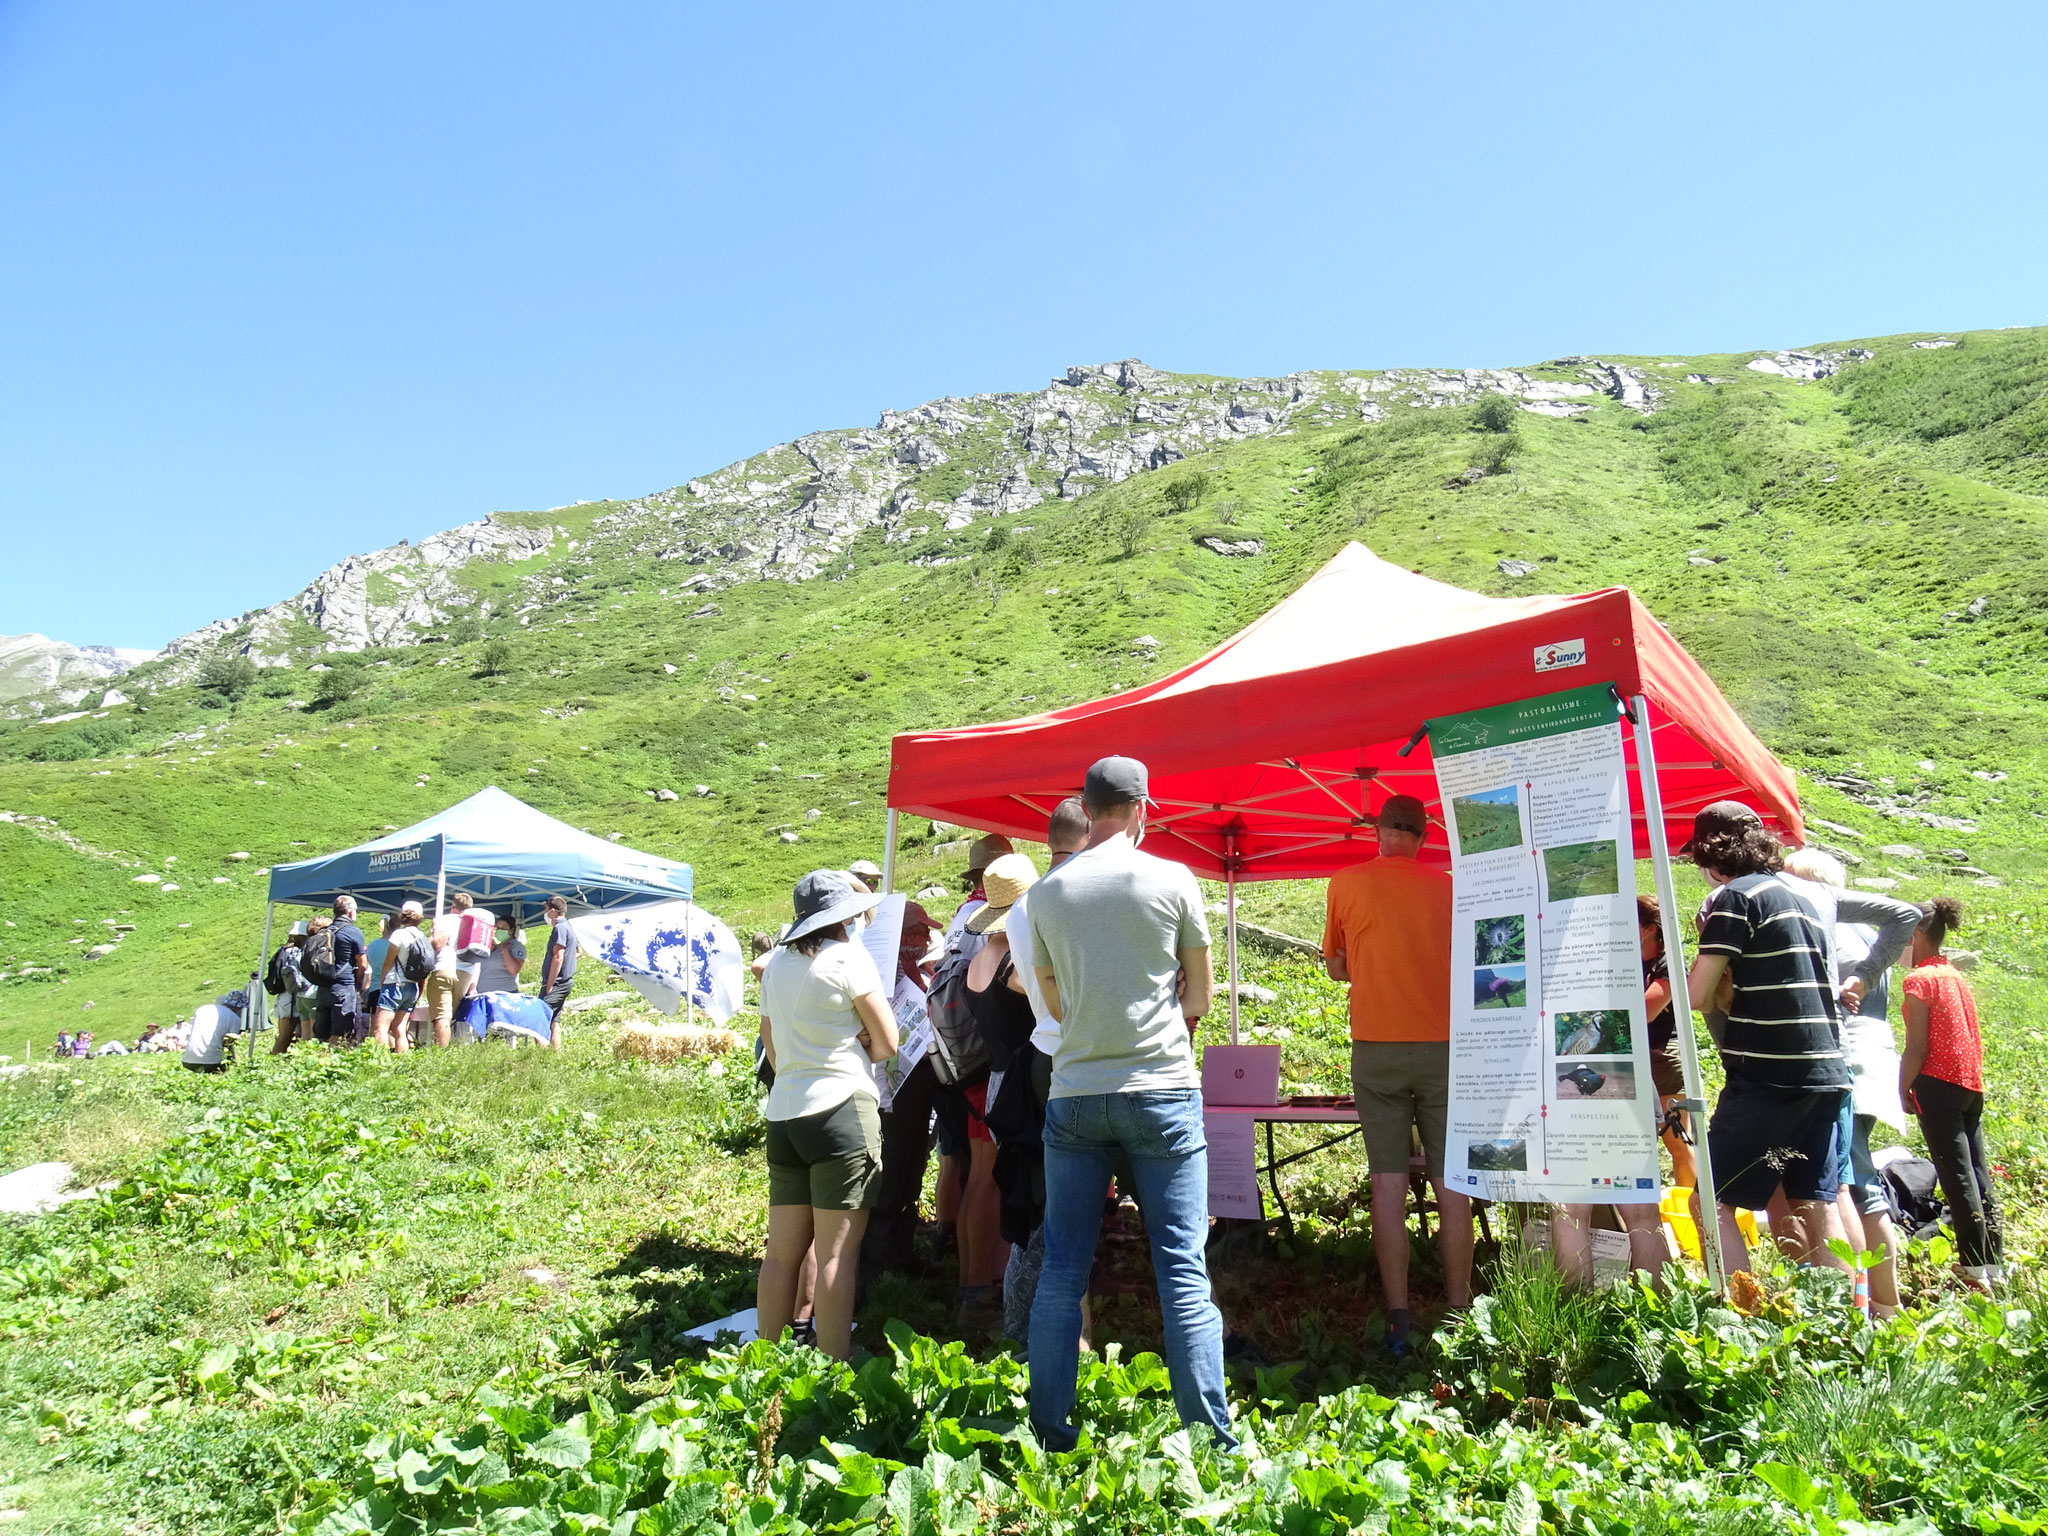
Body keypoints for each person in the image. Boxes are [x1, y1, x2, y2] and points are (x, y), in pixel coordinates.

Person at [1026, 755, 1235, 1453]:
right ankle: (1207, 1440)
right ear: (1143, 806)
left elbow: (1052, 998)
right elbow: (1201, 998)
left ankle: (1051, 1432)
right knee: (1182, 1265)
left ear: (1085, 810)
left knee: (1063, 1266)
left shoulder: (1048, 894)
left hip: (1077, 1092)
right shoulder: (1173, 879)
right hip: (1162, 1089)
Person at [1322, 793, 1473, 1353]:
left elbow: (1337, 967)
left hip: (1376, 1047)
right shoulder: (1451, 886)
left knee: (1387, 1182)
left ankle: (1398, 1317)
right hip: (1443, 1048)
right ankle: (1459, 1310)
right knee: (1450, 1181)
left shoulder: (1346, 881)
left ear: (1379, 831)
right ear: (1425, 836)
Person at [1684, 806, 1853, 1277]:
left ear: (1714, 855)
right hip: (1825, 1071)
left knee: (1711, 1203)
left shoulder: (1733, 899)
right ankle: (1844, 1321)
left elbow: (1700, 996)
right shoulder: (1804, 899)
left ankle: (1738, 1318)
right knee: (1815, 1204)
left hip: (1768, 1073)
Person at [757, 870, 899, 1360]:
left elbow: (772, 1051)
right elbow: (888, 1042)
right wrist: (858, 1040)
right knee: (838, 1252)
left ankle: (764, 1363)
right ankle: (836, 1361)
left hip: (786, 1114)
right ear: (844, 916)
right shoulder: (849, 957)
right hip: (841, 1111)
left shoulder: (775, 963)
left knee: (780, 1254)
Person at [1783, 847, 1914, 1313]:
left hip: (1846, 1058)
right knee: (1856, 1176)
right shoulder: (1865, 930)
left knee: (1856, 1182)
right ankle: (1875, 1301)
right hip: (1876, 1053)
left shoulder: (1829, 929)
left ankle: (1880, 1304)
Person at [994, 796, 1090, 1342]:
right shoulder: (1071, 897)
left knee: (1047, 1198)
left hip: (1042, 1052)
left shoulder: (1023, 905)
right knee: (1064, 1208)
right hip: (1075, 1055)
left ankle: (1032, 1326)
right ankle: (1057, 1335)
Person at [954, 851, 1039, 1335]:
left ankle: (973, 1288)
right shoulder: (1013, 961)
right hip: (1020, 1087)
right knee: (1014, 1192)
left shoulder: (980, 958)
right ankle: (1008, 1301)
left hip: (994, 1081)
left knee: (982, 1181)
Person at [1900, 896, 2001, 1291]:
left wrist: (1903, 1086)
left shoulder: (1919, 980)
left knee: (1955, 1175)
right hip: (1968, 1082)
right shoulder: (1954, 974)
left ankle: (1973, 1268)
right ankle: (1994, 1262)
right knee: (1977, 1172)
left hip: (1936, 1083)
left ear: (1918, 933)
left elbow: (1917, 1047)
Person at [309, 896, 370, 1047]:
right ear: (350, 912)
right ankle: (334, 1064)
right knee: (340, 1032)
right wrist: (358, 983)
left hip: (323, 987)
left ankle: (317, 1064)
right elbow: (363, 964)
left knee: (321, 1034)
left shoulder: (325, 931)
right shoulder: (353, 932)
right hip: (344, 987)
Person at [372, 903, 429, 1052]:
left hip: (395, 984)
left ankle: (380, 1063)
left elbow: (388, 962)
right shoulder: (422, 936)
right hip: (413, 987)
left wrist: (382, 981)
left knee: (380, 1028)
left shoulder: (399, 935)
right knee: (400, 1028)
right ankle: (401, 1062)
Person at [268, 920, 312, 1056]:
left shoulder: (282, 950)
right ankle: (272, 1060)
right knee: (285, 1036)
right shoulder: (294, 952)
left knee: (286, 1034)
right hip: (291, 997)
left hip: (284, 996)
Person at [539, 896, 577, 1044]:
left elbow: (558, 957)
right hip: (564, 982)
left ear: (553, 911)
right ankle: (555, 1052)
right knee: (554, 1021)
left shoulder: (559, 928)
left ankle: (540, 1053)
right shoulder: (567, 926)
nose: (545, 913)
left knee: (540, 1016)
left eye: (546, 910)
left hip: (558, 983)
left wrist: (549, 985)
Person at [424, 912, 463, 1049]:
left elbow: (437, 943)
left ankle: (442, 1052)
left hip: (443, 970)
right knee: (455, 1014)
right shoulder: (468, 922)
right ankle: (457, 1047)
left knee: (442, 1016)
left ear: (452, 906)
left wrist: (433, 931)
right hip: (464, 972)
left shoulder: (447, 920)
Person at [451, 892, 496, 999]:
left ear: (452, 907)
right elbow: (477, 960)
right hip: (468, 974)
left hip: (450, 969)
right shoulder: (475, 924)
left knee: (443, 1012)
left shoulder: (449, 921)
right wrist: (473, 987)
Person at [476, 911, 527, 994]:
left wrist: (505, 950)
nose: (499, 930)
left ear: (511, 930)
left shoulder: (515, 946)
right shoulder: (495, 946)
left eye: (503, 928)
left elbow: (514, 970)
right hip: (483, 993)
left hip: (504, 994)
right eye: (498, 928)